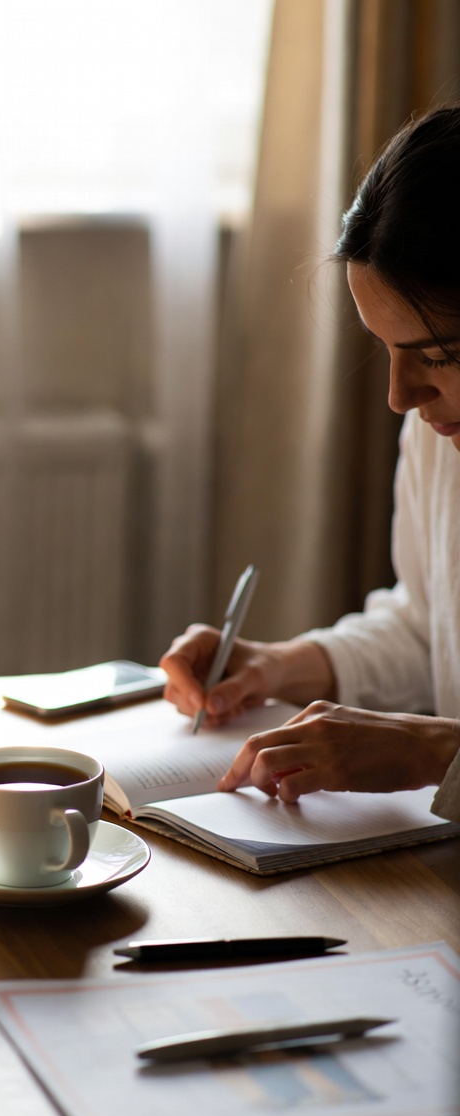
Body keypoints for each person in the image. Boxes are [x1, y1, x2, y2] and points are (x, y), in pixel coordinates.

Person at [159, 104, 460, 821]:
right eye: (387, 350)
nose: (400, 397)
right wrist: (277, 665)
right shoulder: (439, 432)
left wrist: (436, 751)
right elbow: (428, 628)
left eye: (438, 356)